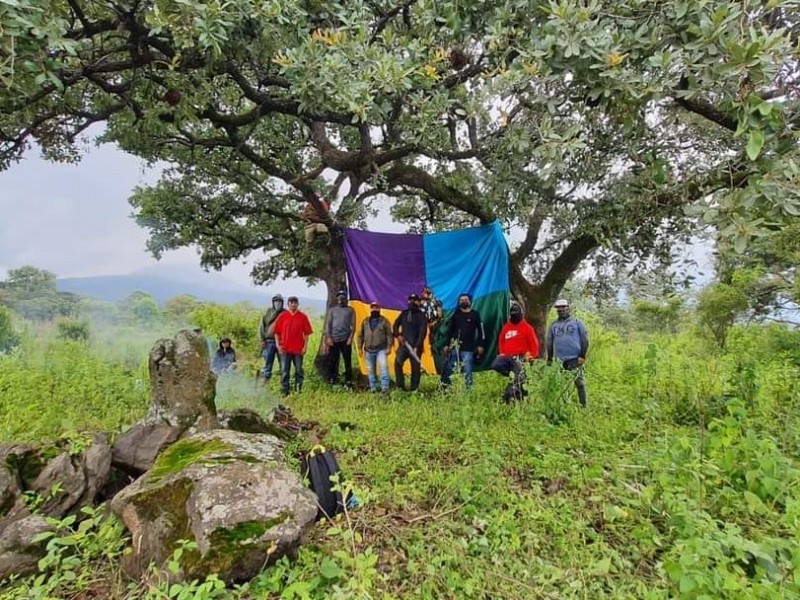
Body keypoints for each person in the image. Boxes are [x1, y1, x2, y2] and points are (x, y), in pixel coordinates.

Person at [492, 304, 539, 402]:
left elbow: (534, 344)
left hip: (521, 356)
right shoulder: (506, 327)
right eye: (512, 313)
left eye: (516, 313)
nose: (514, 315)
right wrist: (502, 353)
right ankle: (516, 377)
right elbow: (501, 341)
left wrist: (531, 356)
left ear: (520, 313)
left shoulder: (527, 328)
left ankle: (507, 397)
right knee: (496, 364)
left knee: (517, 377)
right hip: (507, 356)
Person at [546, 298, 589, 407]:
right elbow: (549, 343)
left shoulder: (577, 322)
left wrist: (582, 355)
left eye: (563, 307)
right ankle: (563, 405)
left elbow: (584, 339)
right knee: (560, 384)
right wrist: (550, 359)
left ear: (568, 308)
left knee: (579, 383)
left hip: (575, 358)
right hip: (558, 361)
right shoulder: (553, 325)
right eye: (558, 308)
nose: (561, 310)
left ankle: (583, 406)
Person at [441, 293, 485, 390]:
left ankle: (467, 391)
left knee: (467, 371)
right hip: (454, 348)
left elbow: (481, 331)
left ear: (470, 301)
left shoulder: (475, 314)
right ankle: (445, 389)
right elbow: (450, 331)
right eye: (461, 300)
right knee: (448, 369)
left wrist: (481, 345)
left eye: (465, 300)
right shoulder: (456, 315)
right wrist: (446, 345)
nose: (463, 301)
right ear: (459, 302)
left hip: (468, 349)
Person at [274, 296, 313, 396]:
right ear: (288, 304)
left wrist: (305, 347)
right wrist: (278, 345)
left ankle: (298, 390)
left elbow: (307, 333)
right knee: (285, 371)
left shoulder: (303, 317)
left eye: (295, 302)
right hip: (285, 349)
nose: (293, 304)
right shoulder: (283, 316)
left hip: (298, 349)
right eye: (291, 302)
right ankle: (284, 391)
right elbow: (276, 332)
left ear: (298, 304)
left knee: (299, 370)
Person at [392, 293, 427, 392]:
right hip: (404, 346)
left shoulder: (422, 316)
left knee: (415, 368)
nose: (412, 302)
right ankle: (400, 387)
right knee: (397, 363)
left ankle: (414, 389)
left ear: (418, 302)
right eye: (410, 299)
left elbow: (422, 333)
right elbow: (395, 324)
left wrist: (416, 347)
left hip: (416, 348)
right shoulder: (404, 313)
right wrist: (398, 335)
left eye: (414, 300)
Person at [358, 301, 393, 394]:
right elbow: (360, 335)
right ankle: (373, 388)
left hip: (381, 349)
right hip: (368, 350)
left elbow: (389, 335)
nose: (374, 309)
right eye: (373, 307)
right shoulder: (365, 321)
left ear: (379, 309)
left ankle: (385, 388)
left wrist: (389, 347)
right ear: (370, 309)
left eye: (376, 307)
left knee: (383, 367)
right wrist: (359, 348)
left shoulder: (384, 321)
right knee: (370, 370)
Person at [325, 289, 356, 387]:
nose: (341, 299)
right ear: (337, 298)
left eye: (343, 297)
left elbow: (353, 325)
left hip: (346, 339)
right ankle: (332, 379)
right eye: (339, 297)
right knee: (332, 360)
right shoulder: (332, 310)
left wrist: (351, 338)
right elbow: (328, 324)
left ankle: (348, 381)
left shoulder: (351, 310)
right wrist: (329, 337)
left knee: (347, 360)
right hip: (334, 339)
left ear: (346, 299)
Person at [259, 293, 285, 381]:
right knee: (268, 361)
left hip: (281, 342)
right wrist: (262, 340)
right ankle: (266, 378)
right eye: (276, 301)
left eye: (280, 302)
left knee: (283, 361)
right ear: (273, 302)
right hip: (269, 341)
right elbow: (262, 326)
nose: (278, 303)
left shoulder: (285, 313)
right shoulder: (268, 312)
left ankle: (283, 378)